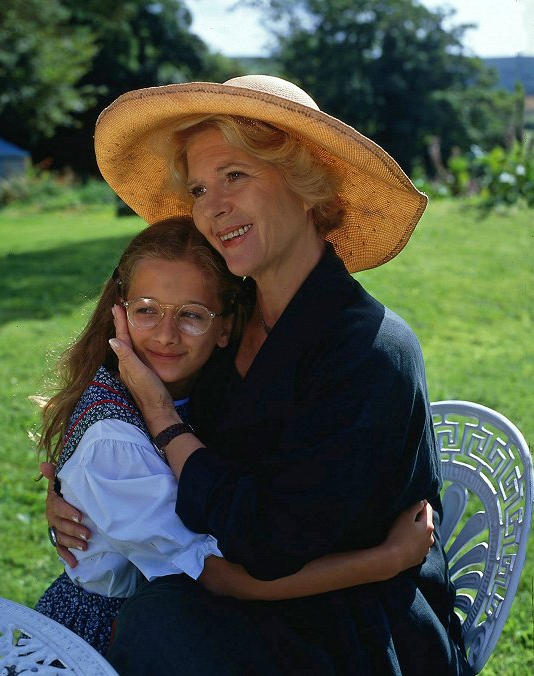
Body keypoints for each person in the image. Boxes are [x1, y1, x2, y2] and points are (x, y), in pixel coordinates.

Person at [47, 75, 471, 674]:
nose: (212, 207)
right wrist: (72, 489)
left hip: (353, 630)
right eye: (198, 187)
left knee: (157, 621)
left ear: (304, 185)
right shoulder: (227, 320)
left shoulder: (369, 350)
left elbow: (265, 543)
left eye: (234, 176)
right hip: (252, 605)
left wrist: (164, 421)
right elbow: (125, 443)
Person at [35, 216, 434, 657]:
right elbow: (221, 574)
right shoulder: (115, 440)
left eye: (192, 315)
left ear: (225, 329)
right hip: (108, 635)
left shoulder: (204, 385)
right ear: (119, 312)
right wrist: (388, 560)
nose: (166, 335)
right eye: (146, 308)